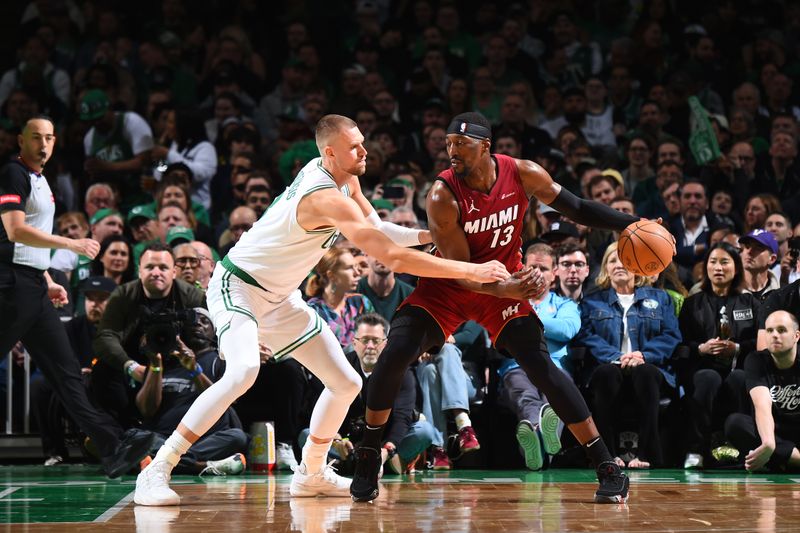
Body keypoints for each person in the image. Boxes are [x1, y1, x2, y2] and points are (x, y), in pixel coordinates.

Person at [134, 114, 508, 506]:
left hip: (281, 298)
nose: (365, 151)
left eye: (363, 142)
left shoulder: (344, 175)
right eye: (355, 146)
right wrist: (470, 269)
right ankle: (158, 468)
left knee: (347, 383)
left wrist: (434, 235)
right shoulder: (323, 197)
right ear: (330, 152)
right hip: (238, 286)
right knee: (244, 370)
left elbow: (378, 230)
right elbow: (390, 258)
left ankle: (310, 473)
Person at [352, 112, 643, 505]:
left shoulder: (523, 173)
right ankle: (369, 452)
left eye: (461, 144)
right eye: (449, 144)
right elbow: (460, 271)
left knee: (543, 368)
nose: (452, 151)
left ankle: (606, 464)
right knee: (395, 353)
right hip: (450, 284)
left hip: (503, 285)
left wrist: (629, 224)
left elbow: (575, 206)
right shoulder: (441, 194)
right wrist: (507, 287)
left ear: (486, 146)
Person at [0, 115, 153, 478]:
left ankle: (114, 449)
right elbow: (15, 230)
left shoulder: (40, 179)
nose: (43, 144)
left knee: (68, 376)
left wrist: (47, 278)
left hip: (33, 286)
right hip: (10, 286)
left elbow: (30, 237)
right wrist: (71, 243)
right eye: (35, 137)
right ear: (21, 141)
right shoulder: (12, 173)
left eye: (50, 138)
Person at [577, 243, 682, 469]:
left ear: (637, 266)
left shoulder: (661, 298)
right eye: (612, 260)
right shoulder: (592, 302)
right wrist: (617, 356)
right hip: (609, 367)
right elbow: (587, 336)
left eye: (624, 260)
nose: (618, 265)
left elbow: (671, 335)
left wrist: (644, 355)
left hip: (648, 368)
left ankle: (646, 453)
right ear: (605, 268)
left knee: (645, 373)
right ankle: (606, 454)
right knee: (605, 373)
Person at [497, 243, 580, 470]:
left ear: (554, 274)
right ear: (522, 269)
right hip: (517, 367)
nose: (537, 273)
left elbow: (567, 329)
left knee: (558, 399)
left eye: (543, 269)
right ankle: (540, 435)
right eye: (532, 267)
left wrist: (527, 322)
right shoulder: (509, 302)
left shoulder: (565, 304)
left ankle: (536, 446)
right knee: (526, 395)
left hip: (555, 366)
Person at [678, 243, 756, 469]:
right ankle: (696, 450)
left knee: (739, 378)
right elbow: (681, 345)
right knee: (707, 378)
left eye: (725, 262)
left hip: (738, 367)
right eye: (713, 262)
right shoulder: (693, 303)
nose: (718, 268)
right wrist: (700, 348)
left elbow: (759, 345)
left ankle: (742, 449)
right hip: (702, 369)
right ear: (705, 267)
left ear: (736, 267)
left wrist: (737, 348)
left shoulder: (749, 302)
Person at [31, 276, 117, 466]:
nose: (94, 304)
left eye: (101, 299)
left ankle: (101, 444)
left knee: (89, 384)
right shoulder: (71, 328)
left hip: (108, 383)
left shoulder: (118, 328)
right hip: (73, 379)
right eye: (90, 299)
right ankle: (55, 452)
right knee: (40, 385)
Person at [725, 310, 800, 472]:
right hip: (774, 432)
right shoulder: (756, 360)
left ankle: (781, 461)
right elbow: (762, 406)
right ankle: (785, 459)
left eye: (781, 330)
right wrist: (768, 443)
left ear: (796, 336)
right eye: (769, 330)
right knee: (735, 423)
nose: (774, 335)